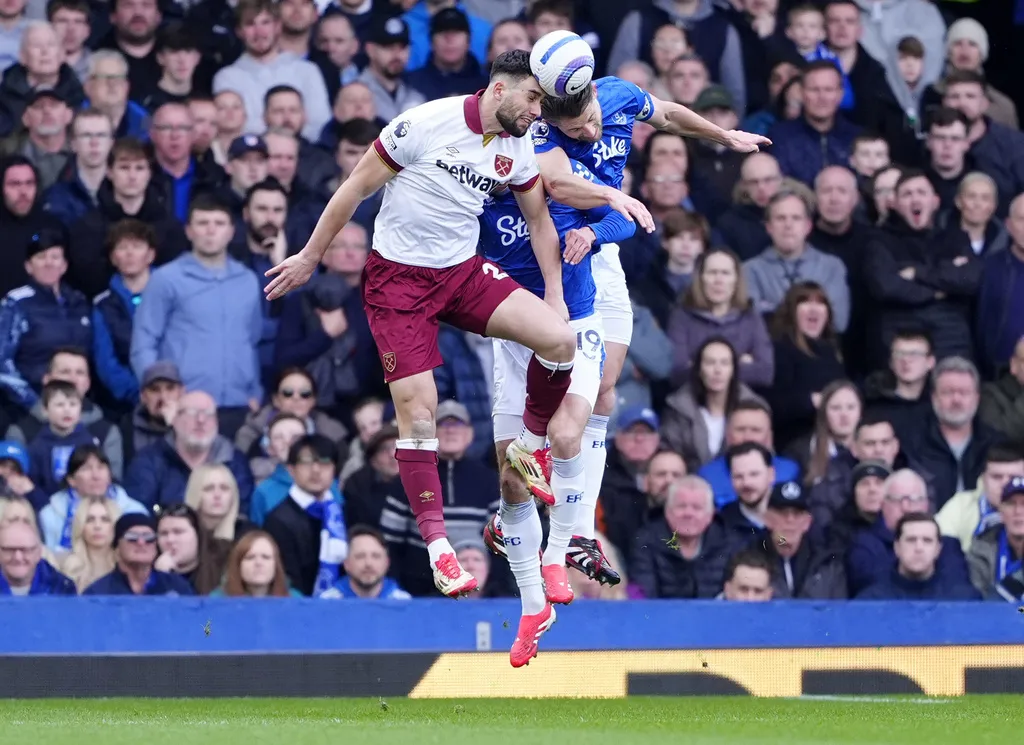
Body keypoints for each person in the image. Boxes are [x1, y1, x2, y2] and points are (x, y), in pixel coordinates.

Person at [262, 51, 649, 609]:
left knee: (559, 339)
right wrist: (309, 256)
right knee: (420, 414)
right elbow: (354, 189)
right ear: (500, 90)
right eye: (533, 99)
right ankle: (440, 547)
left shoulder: (519, 146)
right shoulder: (423, 124)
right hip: (398, 284)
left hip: (462, 273)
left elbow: (539, 220)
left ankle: (529, 447)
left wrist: (555, 294)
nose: (539, 112)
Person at [529, 73, 768, 591]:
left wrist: (722, 136)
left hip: (602, 250)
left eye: (590, 122)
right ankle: (550, 515)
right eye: (575, 130)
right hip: (558, 257)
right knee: (574, 402)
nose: (589, 134)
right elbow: (558, 184)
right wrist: (612, 200)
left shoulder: (615, 93)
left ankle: (578, 530)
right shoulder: (544, 135)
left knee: (605, 392)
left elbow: (669, 114)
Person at [476, 157, 635, 632]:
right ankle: (533, 607)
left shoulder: (560, 189)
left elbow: (621, 221)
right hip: (513, 340)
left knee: (569, 432)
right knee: (512, 480)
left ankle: (563, 549)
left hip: (576, 324)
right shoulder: (475, 202)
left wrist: (594, 233)